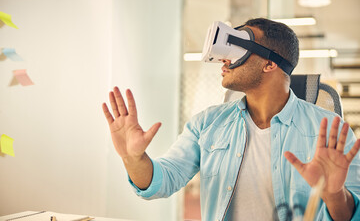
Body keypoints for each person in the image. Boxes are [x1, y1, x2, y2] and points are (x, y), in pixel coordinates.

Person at [102, 18, 360, 221]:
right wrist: (133, 159)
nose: (224, 59)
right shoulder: (206, 124)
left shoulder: (332, 132)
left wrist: (334, 194)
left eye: (237, 48)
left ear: (269, 64)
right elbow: (163, 180)